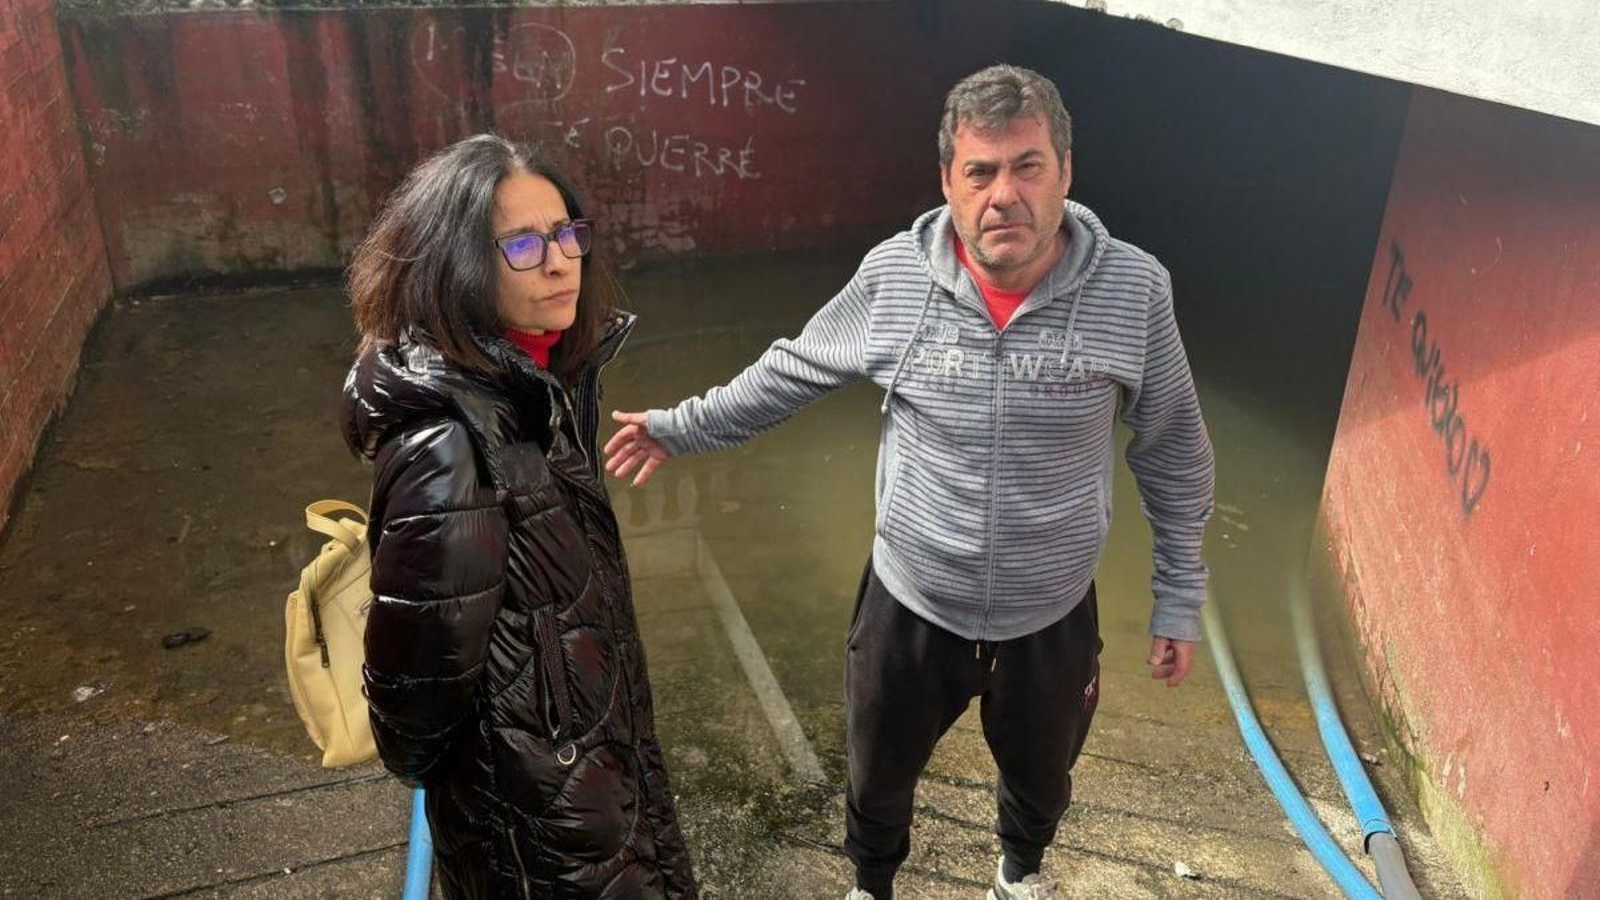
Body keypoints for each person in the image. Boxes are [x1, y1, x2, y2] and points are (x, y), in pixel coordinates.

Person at [603, 65, 1214, 900]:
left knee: (1043, 780)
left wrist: (1179, 591)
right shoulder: (896, 278)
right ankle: (871, 885)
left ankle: (1017, 873)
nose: (1005, 194)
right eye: (981, 171)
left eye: (1028, 165)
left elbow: (1173, 445)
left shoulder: (1134, 290)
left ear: (1066, 172)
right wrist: (681, 426)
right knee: (876, 778)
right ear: (948, 183)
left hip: (1052, 612)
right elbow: (792, 372)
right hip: (911, 604)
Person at [341, 134, 698, 899]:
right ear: (455, 265)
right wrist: (528, 761)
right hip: (537, 845)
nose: (560, 260)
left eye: (567, 233)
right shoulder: (450, 452)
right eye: (524, 243)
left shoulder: (537, 391)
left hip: (588, 807)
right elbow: (411, 725)